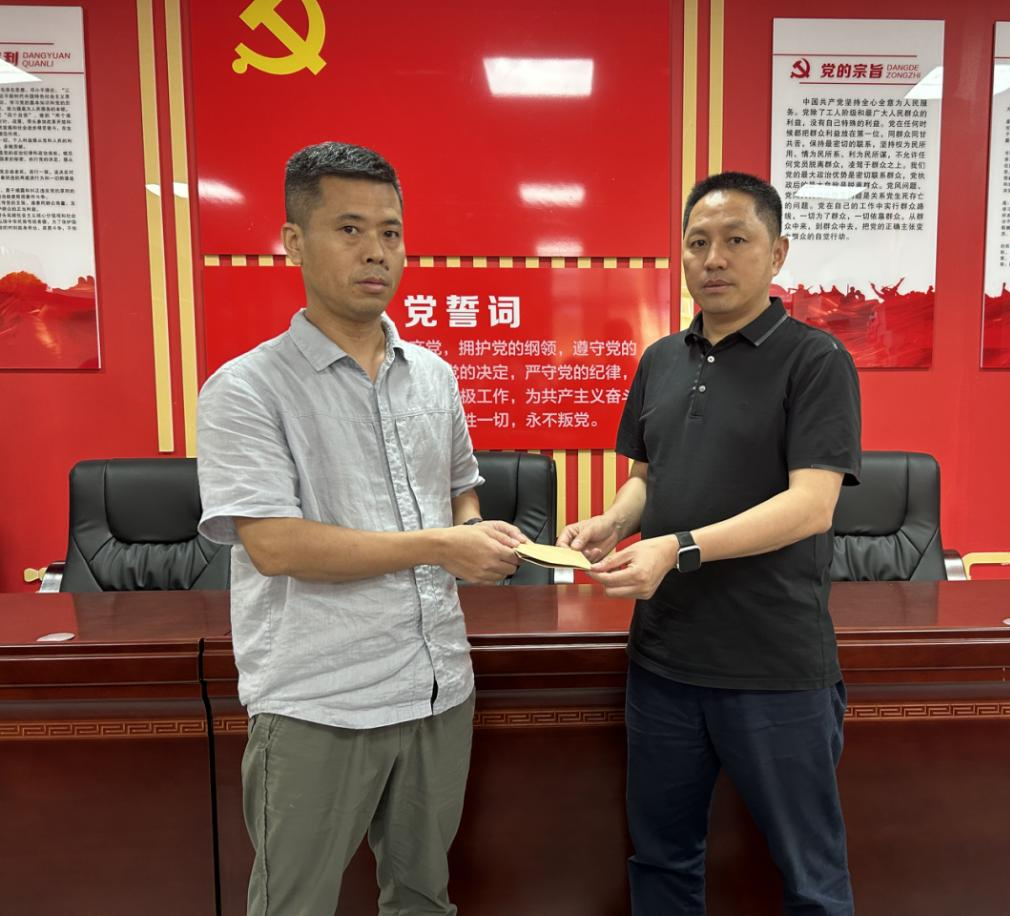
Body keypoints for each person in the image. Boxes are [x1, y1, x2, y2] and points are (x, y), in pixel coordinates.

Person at [196, 141, 526, 916]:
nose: (377, 251)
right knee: (295, 905)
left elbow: (459, 490)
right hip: (321, 699)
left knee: (423, 898)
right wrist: (443, 546)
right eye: (349, 229)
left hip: (437, 685)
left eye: (390, 232)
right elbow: (275, 545)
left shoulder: (433, 375)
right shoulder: (245, 389)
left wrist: (478, 534)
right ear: (293, 241)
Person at [559, 171, 861, 915]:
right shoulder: (661, 359)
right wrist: (614, 521)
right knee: (662, 861)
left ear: (777, 253)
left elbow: (811, 505)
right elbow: (648, 476)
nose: (713, 258)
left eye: (735, 240)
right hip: (663, 662)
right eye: (698, 242)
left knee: (811, 877)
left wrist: (677, 549)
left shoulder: (816, 360)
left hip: (773, 665)